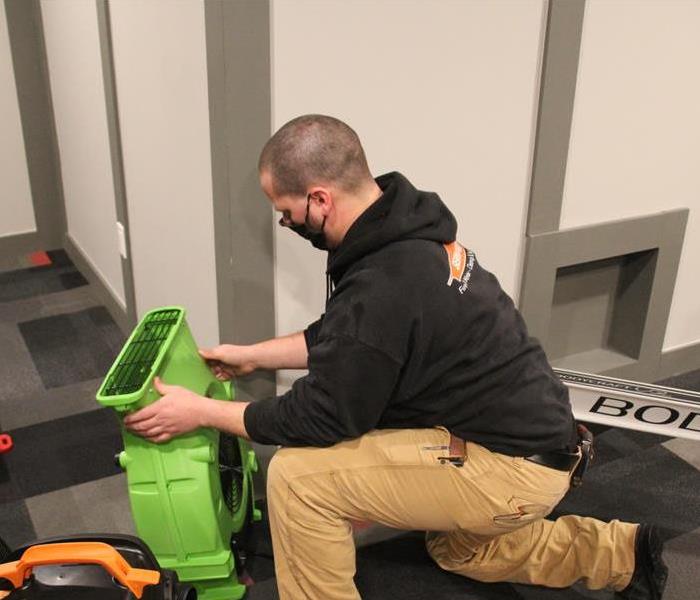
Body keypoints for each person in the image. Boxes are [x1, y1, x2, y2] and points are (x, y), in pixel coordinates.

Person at [124, 115, 668, 600]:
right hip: (540, 444)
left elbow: (322, 416)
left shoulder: (386, 281)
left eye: (285, 214)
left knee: (297, 479)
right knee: (457, 550)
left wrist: (199, 411)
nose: (286, 226)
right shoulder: (402, 230)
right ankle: (621, 554)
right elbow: (347, 337)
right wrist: (252, 356)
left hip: (510, 468)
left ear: (319, 200)